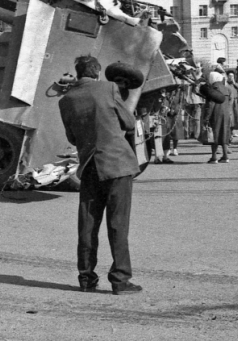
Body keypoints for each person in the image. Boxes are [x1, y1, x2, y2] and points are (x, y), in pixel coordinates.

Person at [58, 56, 142, 295]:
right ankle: (120, 280)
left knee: (87, 224)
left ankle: (86, 278)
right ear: (97, 73)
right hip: (117, 165)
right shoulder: (109, 88)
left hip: (89, 166)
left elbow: (72, 138)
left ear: (78, 73)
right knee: (118, 224)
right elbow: (127, 122)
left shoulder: (66, 100)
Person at [204, 76, 232, 164]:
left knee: (213, 134)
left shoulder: (213, 89)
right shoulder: (226, 88)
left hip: (215, 114)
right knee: (224, 134)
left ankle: (214, 157)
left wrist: (206, 117)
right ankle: (225, 156)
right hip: (226, 114)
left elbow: (210, 105)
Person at [226, 70, 238, 138]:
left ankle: (232, 131)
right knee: (230, 117)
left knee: (235, 116)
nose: (231, 77)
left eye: (232, 76)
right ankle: (229, 132)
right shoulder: (225, 84)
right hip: (229, 102)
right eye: (229, 76)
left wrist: (234, 83)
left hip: (236, 101)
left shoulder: (235, 84)